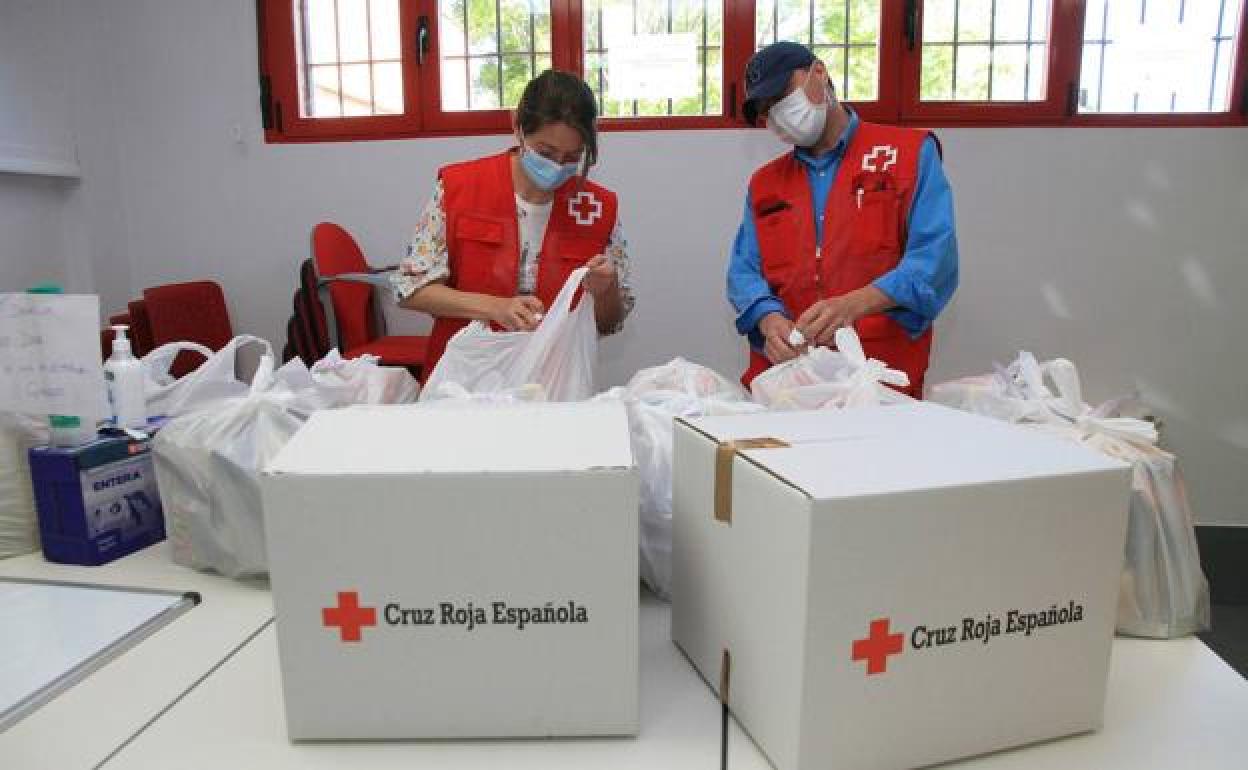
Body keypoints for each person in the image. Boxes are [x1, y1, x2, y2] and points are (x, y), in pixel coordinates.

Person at [726, 41, 958, 397]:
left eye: (782, 97)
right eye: (767, 111)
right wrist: (768, 319)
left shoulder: (908, 155)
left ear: (819, 73)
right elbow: (743, 272)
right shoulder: (765, 184)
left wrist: (856, 303)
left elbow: (934, 262)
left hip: (880, 381)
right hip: (789, 386)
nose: (778, 115)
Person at [392, 70, 635, 378]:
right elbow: (411, 290)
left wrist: (606, 290)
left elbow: (609, 321)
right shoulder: (460, 188)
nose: (558, 166)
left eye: (572, 157)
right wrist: (494, 308)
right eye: (545, 152)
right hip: (464, 379)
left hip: (552, 381)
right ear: (518, 127)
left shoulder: (598, 209)